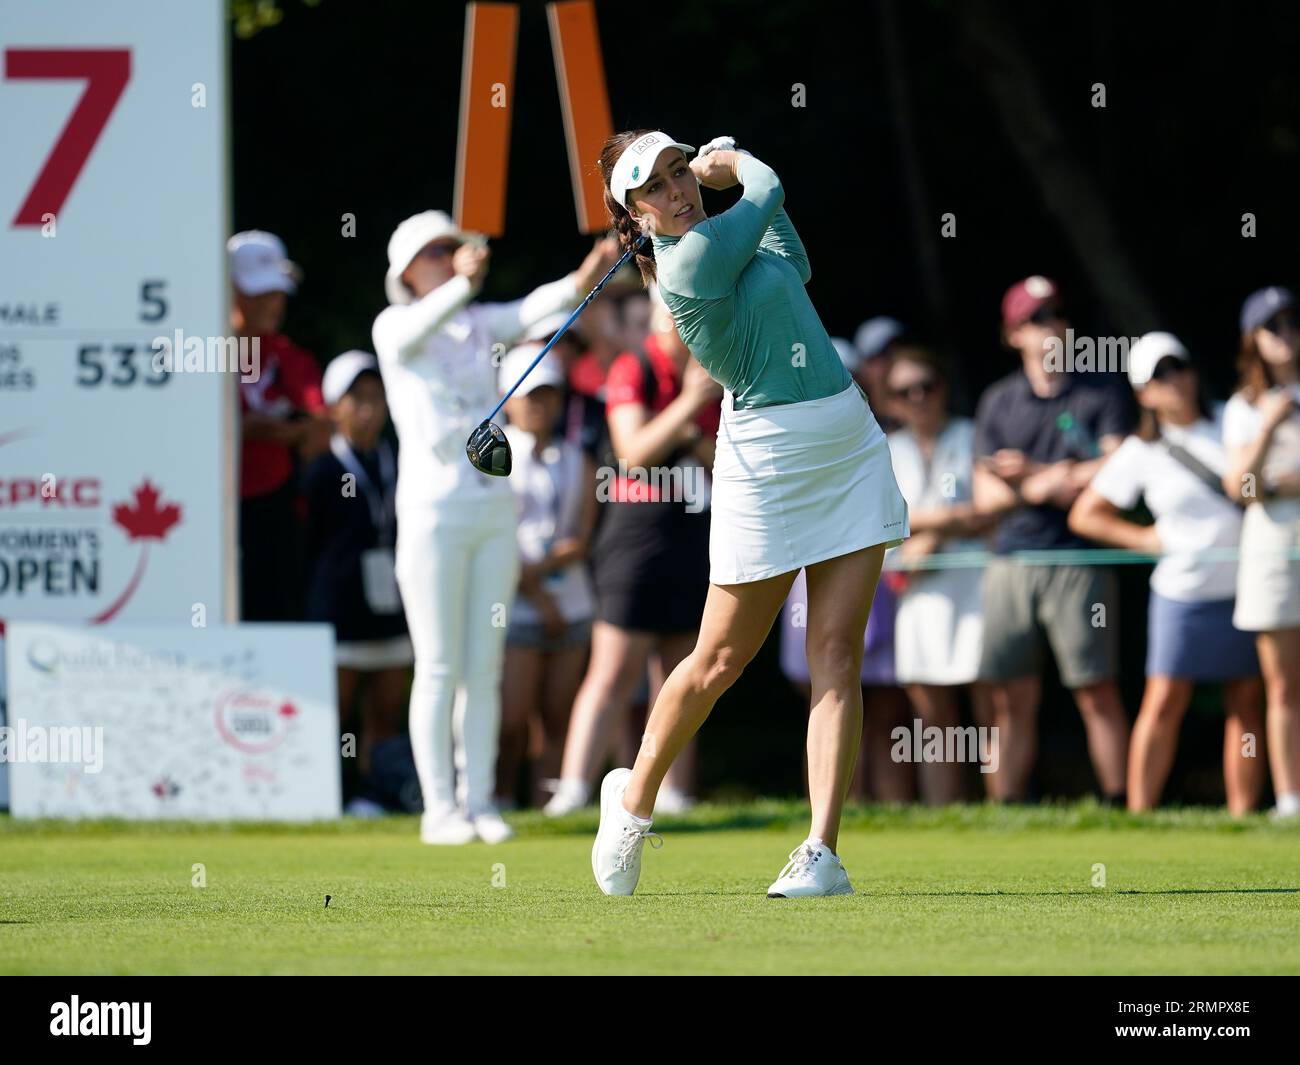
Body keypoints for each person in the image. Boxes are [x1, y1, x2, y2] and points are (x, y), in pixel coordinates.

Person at [589, 131, 908, 898]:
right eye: (657, 188)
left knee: (837, 652)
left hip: (847, 444)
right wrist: (732, 167)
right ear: (636, 213)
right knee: (719, 660)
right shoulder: (689, 260)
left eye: (679, 173)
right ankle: (633, 804)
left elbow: (793, 263)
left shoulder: (722, 242)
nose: (678, 192)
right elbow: (766, 192)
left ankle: (822, 851)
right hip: (768, 460)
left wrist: (733, 184)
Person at [372, 209, 619, 845]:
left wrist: (588, 272)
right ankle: (439, 810)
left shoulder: (480, 324)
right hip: (432, 515)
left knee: (483, 668)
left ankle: (480, 802)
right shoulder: (396, 325)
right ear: (405, 270)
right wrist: (463, 283)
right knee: (439, 665)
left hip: (492, 510)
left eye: (451, 248)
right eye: (433, 252)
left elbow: (536, 306)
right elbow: (412, 334)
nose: (447, 258)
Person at [544, 286, 719, 817]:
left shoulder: (714, 372)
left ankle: (676, 793)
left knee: (684, 672)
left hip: (694, 533)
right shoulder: (634, 368)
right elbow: (634, 452)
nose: (685, 329)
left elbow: (723, 460)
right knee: (612, 672)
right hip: (634, 539)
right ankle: (574, 788)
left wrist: (684, 433)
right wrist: (688, 410)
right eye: (675, 318)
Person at [1069, 332, 1263, 813]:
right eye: (1158, 374)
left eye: (1177, 366)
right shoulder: (1140, 451)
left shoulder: (1234, 422)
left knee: (1247, 702)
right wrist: (1146, 540)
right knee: (1163, 702)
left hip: (1248, 586)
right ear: (1143, 393)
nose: (1172, 380)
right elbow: (1086, 514)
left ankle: (1244, 816)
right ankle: (1140, 815)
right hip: (1182, 593)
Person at [972, 276, 1132, 803]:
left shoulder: (1100, 391)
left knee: (1095, 688)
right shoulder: (998, 401)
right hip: (1010, 561)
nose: (1053, 327)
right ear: (1013, 333)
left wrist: (1029, 476)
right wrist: (1054, 482)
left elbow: (1121, 469)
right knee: (1009, 697)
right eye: (1037, 319)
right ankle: (1006, 809)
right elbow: (984, 499)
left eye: (1058, 314)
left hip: (1079, 558)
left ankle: (1121, 807)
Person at [885, 345, 996, 804]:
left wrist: (928, 533)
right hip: (918, 590)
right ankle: (942, 813)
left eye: (926, 386)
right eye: (904, 391)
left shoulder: (974, 435)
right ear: (890, 400)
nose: (918, 397)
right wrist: (944, 524)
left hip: (977, 583)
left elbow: (990, 511)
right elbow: (884, 522)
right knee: (932, 714)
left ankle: (1003, 809)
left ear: (943, 388)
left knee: (990, 704)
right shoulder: (887, 449)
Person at [303, 352, 412, 814]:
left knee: (386, 710)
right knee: (337, 713)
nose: (369, 408)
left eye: (376, 397)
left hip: (392, 605)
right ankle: (327, 798)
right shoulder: (322, 469)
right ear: (334, 407)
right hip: (340, 609)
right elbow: (306, 545)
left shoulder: (398, 458)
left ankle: (375, 795)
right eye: (357, 399)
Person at [495, 344, 599, 810]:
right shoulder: (490, 459)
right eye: (528, 394)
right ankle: (497, 798)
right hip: (514, 604)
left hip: (571, 602)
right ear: (507, 397)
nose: (539, 404)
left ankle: (547, 808)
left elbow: (581, 536)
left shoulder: (578, 458)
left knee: (557, 715)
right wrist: (539, 596)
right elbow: (498, 539)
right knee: (511, 717)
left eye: (548, 395)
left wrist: (544, 581)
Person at [1222, 286, 1300, 818]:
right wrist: (1271, 424)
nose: (1287, 333)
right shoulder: (1243, 409)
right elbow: (1239, 488)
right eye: (1274, 325)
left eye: (1293, 321)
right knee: (1282, 685)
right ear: (1255, 339)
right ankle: (1290, 799)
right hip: (1273, 552)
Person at [229, 230, 329, 621]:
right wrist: (245, 430)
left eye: (277, 291)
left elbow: (320, 427)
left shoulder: (290, 357)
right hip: (208, 509)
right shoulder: (197, 354)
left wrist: (280, 431)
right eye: (259, 291)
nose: (274, 302)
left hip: (275, 512)